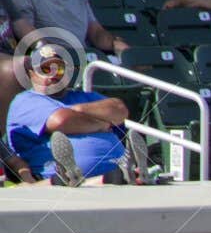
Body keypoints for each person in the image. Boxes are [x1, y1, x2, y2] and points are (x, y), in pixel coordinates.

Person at [5, 43, 134, 186]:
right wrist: (104, 122)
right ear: (32, 73)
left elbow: (120, 109)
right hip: (58, 180)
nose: (53, 75)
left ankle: (128, 174)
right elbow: (61, 121)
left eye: (59, 69)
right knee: (110, 178)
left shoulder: (85, 97)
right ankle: (124, 176)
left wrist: (77, 109)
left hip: (114, 170)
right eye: (46, 69)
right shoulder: (25, 101)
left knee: (122, 176)